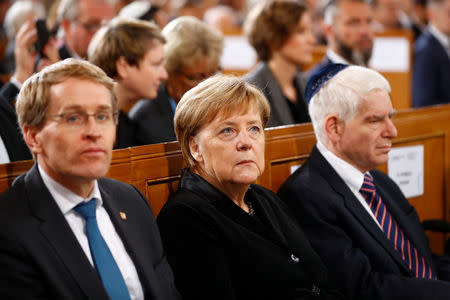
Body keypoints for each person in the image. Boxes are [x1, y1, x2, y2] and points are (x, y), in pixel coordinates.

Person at [0, 58, 181, 300]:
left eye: (103, 116)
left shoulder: (131, 200)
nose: (94, 132)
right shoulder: (8, 228)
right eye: (73, 118)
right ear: (33, 137)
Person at [157, 74, 345, 300]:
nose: (246, 142)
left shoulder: (263, 198)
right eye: (228, 130)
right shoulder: (185, 217)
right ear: (195, 147)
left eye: (254, 128)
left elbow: (321, 280)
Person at [278, 63, 450, 300]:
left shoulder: (380, 181)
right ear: (334, 128)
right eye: (375, 121)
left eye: (390, 117)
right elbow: (363, 289)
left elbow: (422, 259)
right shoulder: (306, 196)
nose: (392, 131)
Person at [129, 16, 223, 145]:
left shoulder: (222, 108)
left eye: (213, 74)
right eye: (195, 77)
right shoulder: (145, 120)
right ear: (168, 73)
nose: (207, 85)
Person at [88, 17, 168, 149]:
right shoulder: (88, 125)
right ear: (123, 67)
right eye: (156, 64)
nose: (164, 75)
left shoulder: (126, 126)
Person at [244, 0, 315, 127]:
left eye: (310, 30)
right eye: (301, 31)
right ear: (274, 37)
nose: (312, 40)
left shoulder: (307, 83)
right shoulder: (250, 91)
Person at [308, 0, 374, 78]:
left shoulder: (373, 75)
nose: (364, 31)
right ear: (330, 30)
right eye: (353, 23)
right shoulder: (317, 82)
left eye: (369, 22)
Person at [412, 0, 450, 108]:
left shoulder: (442, 42)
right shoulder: (425, 49)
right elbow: (423, 103)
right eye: (449, 13)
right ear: (432, 14)